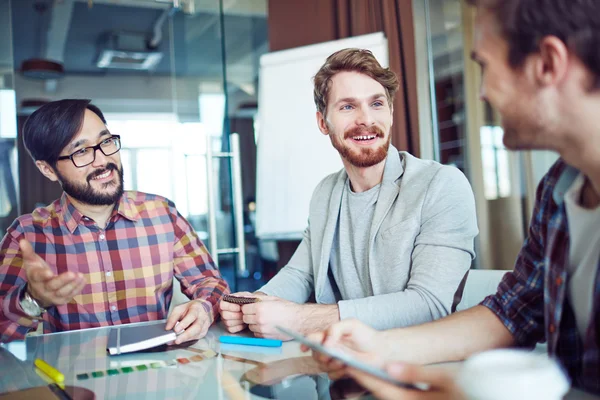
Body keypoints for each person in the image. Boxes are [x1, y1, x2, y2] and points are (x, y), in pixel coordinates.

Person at [307, 0, 600, 397]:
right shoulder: (558, 189)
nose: (480, 93)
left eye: (484, 66)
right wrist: (381, 347)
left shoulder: (440, 184)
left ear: (547, 64)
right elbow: (513, 313)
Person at [220, 49, 478, 339]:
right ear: (323, 123)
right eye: (347, 107)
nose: (366, 119)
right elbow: (300, 274)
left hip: (420, 370)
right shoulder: (325, 193)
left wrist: (304, 319)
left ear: (391, 113)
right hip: (342, 367)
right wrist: (251, 305)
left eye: (377, 104)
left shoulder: (442, 185)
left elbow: (430, 305)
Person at [0, 99, 229, 343]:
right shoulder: (27, 234)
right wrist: (34, 300)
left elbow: (209, 282)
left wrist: (204, 307)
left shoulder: (162, 214)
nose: (102, 161)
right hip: (73, 378)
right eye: (81, 151)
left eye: (106, 142)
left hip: (159, 372)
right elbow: (3, 331)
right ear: (47, 169)